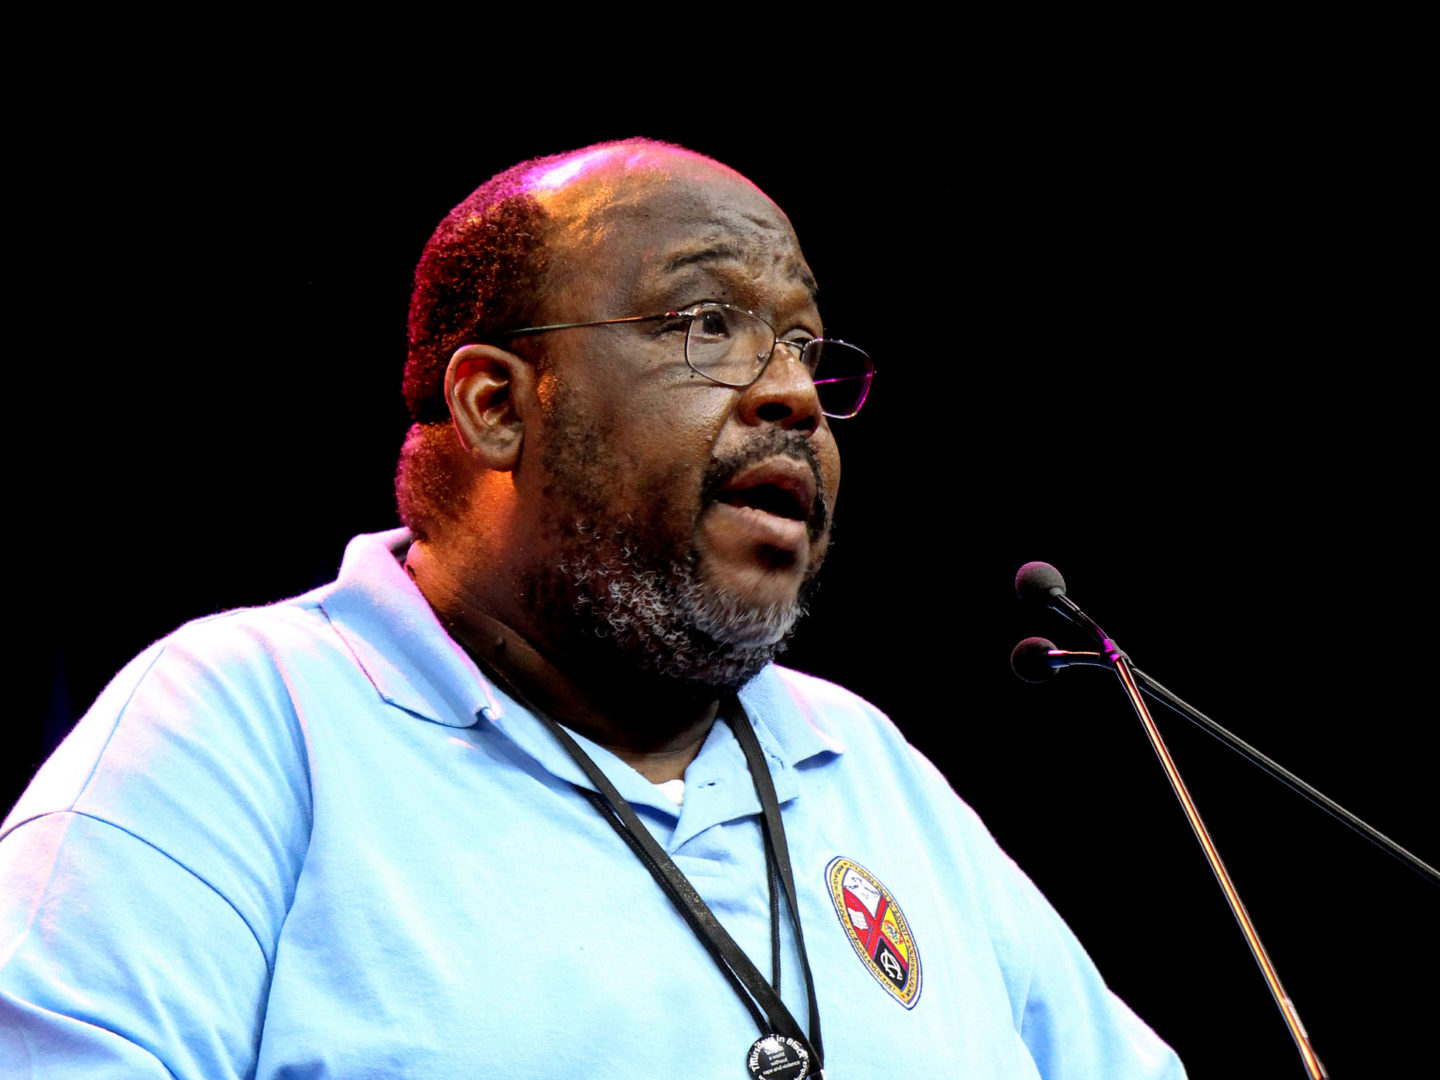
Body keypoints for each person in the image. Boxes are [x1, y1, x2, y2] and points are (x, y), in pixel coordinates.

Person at [0, 139, 1186, 1078]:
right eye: (704, 325)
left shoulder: (864, 761)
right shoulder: (247, 719)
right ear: (495, 405)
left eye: (807, 349)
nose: (791, 397)